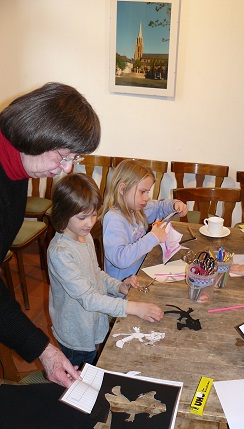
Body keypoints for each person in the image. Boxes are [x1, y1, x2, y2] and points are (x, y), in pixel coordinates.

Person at [0, 82, 101, 387]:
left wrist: (43, 351)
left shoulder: (17, 167)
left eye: (75, 159)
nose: (65, 169)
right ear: (37, 133)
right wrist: (43, 349)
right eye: (63, 156)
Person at [48, 173, 164, 367]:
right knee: (79, 376)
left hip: (91, 323)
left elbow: (96, 274)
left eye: (94, 214)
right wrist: (133, 308)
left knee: (93, 365)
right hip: (76, 333)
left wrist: (118, 286)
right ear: (62, 213)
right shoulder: (60, 252)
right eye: (82, 217)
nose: (90, 223)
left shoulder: (82, 237)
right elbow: (88, 298)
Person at [102, 159, 188, 280]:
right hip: (123, 288)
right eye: (142, 192)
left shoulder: (136, 207)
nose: (146, 197)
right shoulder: (114, 219)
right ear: (122, 189)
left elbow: (159, 207)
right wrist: (153, 237)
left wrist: (174, 205)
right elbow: (120, 259)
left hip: (141, 273)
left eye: (147, 192)